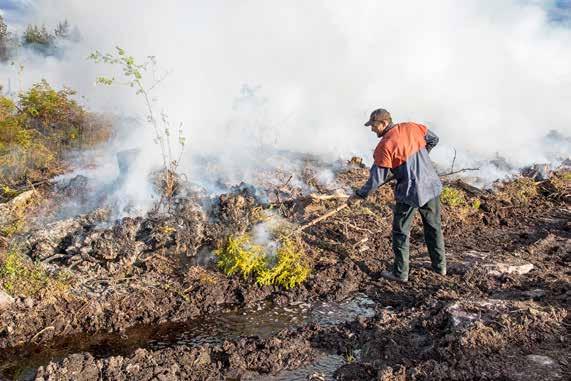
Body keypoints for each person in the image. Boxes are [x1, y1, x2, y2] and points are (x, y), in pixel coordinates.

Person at [349, 108, 446, 282]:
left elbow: (375, 180)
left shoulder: (385, 145)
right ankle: (440, 268)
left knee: (400, 232)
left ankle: (400, 273)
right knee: (433, 227)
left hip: (410, 191)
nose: (372, 129)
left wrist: (359, 195)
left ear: (384, 123)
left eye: (374, 125)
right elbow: (434, 139)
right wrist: (421, 159)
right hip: (431, 184)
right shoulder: (412, 127)